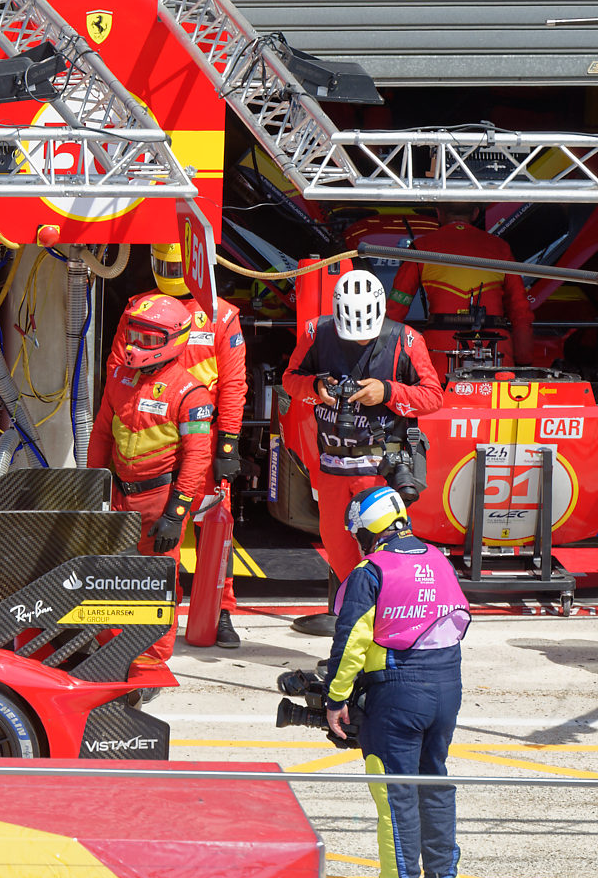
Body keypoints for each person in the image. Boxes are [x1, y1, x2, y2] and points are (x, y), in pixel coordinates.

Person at [324, 485, 469, 878]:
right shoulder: (438, 559)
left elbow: (351, 640)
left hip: (398, 692)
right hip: (447, 686)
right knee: (434, 781)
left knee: (394, 793)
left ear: (369, 529)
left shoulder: (372, 571)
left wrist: (336, 697)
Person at [285, 269, 444, 633]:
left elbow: (433, 396)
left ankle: (390, 632)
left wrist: (387, 392)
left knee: (387, 558)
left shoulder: (407, 340)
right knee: (340, 553)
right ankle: (354, 630)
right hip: (331, 467)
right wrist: (315, 385)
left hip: (380, 470)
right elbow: (290, 379)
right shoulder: (316, 332)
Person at [86, 292, 215, 666]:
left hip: (159, 498)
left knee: (157, 581)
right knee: (109, 576)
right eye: (133, 335)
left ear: (173, 340)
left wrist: (177, 513)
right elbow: (101, 435)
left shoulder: (191, 393)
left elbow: (197, 458)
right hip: (118, 495)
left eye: (147, 339)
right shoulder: (118, 377)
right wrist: (96, 486)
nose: (134, 346)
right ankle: (111, 652)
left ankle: (151, 661)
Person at [140, 242, 247, 650]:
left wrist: (228, 447)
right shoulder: (140, 309)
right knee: (158, 535)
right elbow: (121, 374)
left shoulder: (223, 314)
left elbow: (234, 386)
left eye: (178, 263)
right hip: (155, 442)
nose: (172, 270)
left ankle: (220, 610)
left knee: (215, 535)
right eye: (167, 263)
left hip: (204, 441)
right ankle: (156, 614)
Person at [385, 208, 535, 371]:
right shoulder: (501, 248)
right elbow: (520, 311)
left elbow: (396, 308)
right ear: (476, 213)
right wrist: (524, 360)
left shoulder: (421, 247)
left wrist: (383, 360)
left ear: (438, 212)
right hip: (495, 349)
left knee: (439, 396)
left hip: (440, 351)